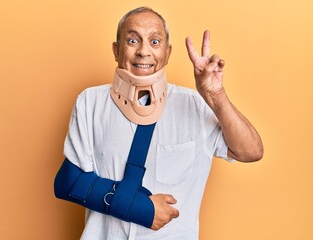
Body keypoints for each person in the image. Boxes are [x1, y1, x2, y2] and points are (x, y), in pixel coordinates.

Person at [54, 6, 263, 240]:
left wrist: (215, 95)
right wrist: (140, 209)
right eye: (133, 40)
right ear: (116, 50)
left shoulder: (195, 104)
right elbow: (68, 182)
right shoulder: (90, 102)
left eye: (155, 42)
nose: (144, 51)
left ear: (168, 52)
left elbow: (251, 151)